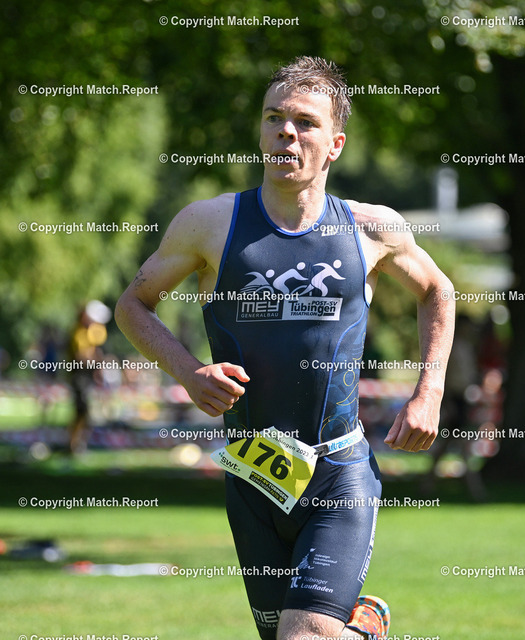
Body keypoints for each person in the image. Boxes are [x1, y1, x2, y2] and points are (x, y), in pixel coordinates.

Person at [115, 56, 455, 640]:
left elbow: (437, 291)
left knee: (302, 637)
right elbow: (132, 304)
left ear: (335, 145)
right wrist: (189, 372)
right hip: (253, 472)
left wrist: (430, 393)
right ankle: (362, 631)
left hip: (339, 470)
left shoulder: (370, 228)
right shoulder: (210, 223)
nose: (286, 133)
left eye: (305, 122)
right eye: (274, 118)